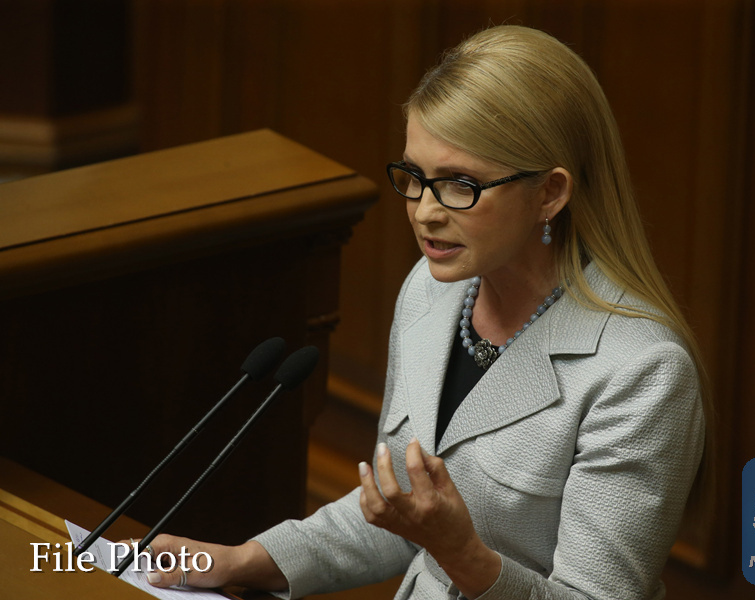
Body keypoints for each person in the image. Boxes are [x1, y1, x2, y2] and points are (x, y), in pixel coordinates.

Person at [144, 24, 710, 600]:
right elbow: (396, 515)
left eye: (461, 184)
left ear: (550, 193)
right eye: (415, 177)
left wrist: (463, 554)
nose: (425, 212)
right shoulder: (430, 291)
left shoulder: (641, 372)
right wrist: (243, 560)